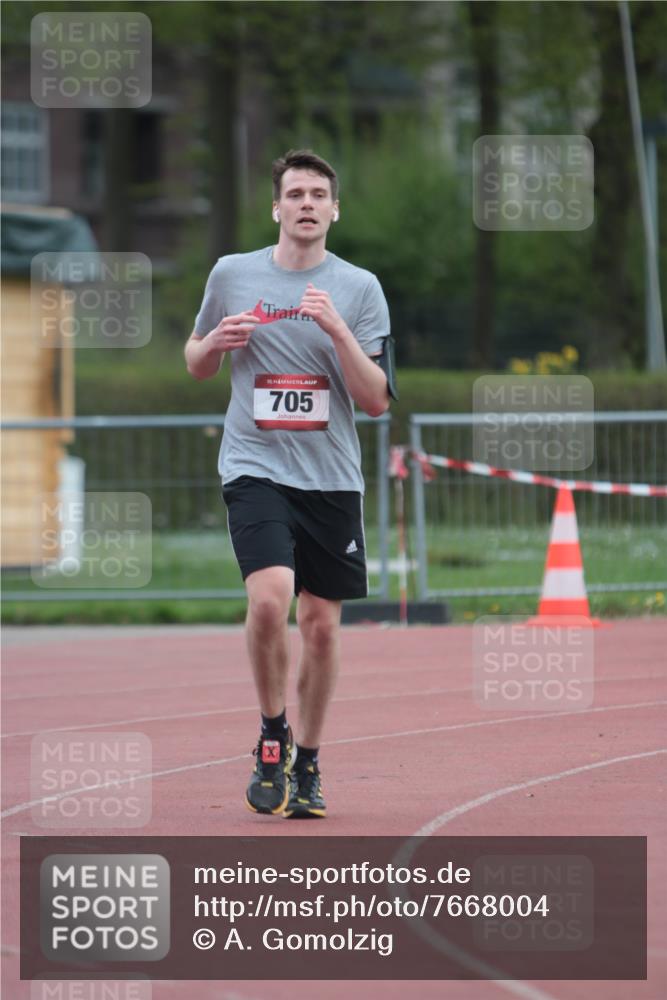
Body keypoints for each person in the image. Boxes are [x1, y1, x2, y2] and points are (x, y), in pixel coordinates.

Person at [184, 149, 396, 818]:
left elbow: (377, 401)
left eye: (318, 194)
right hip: (254, 466)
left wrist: (336, 331)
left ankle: (308, 761)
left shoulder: (358, 288)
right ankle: (271, 733)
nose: (306, 203)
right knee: (271, 601)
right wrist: (216, 340)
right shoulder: (232, 273)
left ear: (334, 210)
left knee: (322, 627)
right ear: (276, 208)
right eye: (295, 193)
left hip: (329, 477)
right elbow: (194, 364)